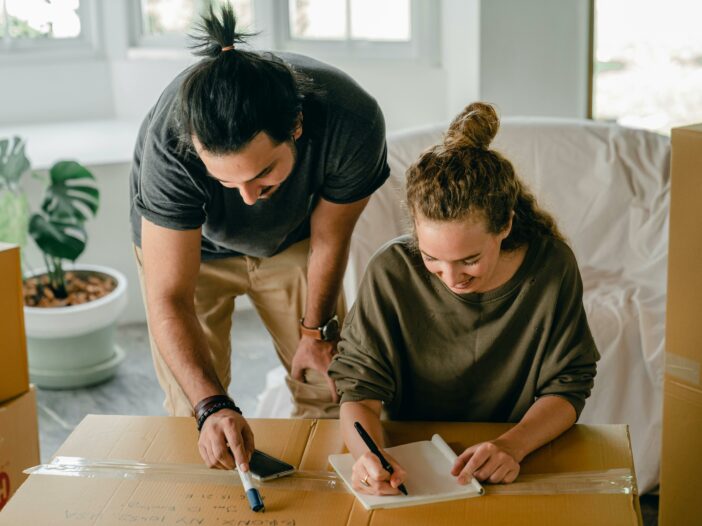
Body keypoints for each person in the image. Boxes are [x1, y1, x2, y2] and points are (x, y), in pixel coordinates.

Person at [129, 5, 389, 473]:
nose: (248, 199)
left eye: (263, 173)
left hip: (293, 241)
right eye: (227, 182)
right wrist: (211, 406)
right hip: (191, 251)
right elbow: (169, 296)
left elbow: (330, 240)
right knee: (196, 412)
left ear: (296, 127)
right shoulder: (169, 143)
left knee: (326, 387)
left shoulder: (353, 122)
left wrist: (314, 332)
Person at [328, 102, 599, 495]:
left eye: (470, 260)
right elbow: (360, 392)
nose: (452, 279)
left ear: (504, 224)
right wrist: (366, 456)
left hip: (515, 457)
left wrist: (512, 445)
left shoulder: (551, 266)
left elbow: (568, 386)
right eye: (431, 259)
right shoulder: (390, 271)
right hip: (410, 463)